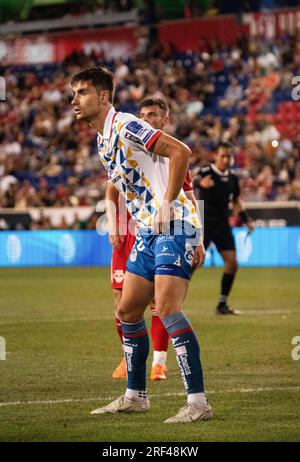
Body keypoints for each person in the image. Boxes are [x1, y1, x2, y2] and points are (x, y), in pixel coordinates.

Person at [71, 67, 212, 423]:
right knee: (128, 310)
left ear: (103, 97)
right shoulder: (103, 141)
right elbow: (121, 184)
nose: (74, 100)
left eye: (83, 92)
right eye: (74, 93)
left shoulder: (126, 125)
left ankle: (198, 403)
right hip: (149, 230)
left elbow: (181, 151)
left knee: (166, 307)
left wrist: (166, 203)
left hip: (175, 222)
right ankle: (135, 396)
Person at [108, 97, 198, 382]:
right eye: (143, 114)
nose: (146, 119)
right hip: (135, 233)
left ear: (165, 119)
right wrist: (113, 223)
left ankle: (161, 362)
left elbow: (190, 197)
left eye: (153, 115)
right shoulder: (123, 143)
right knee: (124, 304)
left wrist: (198, 238)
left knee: (164, 305)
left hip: (170, 226)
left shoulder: (169, 152)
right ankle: (131, 368)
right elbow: (111, 190)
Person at [195, 141, 254, 315]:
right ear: (216, 156)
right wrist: (199, 182)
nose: (227, 159)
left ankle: (222, 304)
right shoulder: (206, 172)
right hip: (201, 223)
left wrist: (246, 219)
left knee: (232, 263)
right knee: (190, 264)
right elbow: (190, 178)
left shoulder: (233, 178)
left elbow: (236, 201)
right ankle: (172, 301)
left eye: (229, 156)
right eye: (223, 155)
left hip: (222, 224)